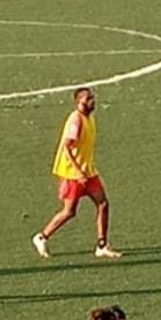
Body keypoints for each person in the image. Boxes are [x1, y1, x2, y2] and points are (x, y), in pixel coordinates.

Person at [32, 87, 122, 260]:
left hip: (88, 171)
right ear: (78, 102)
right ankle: (42, 237)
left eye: (92, 98)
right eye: (88, 99)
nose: (92, 101)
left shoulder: (89, 118)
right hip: (73, 174)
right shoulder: (76, 121)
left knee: (103, 204)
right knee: (69, 211)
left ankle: (102, 245)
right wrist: (79, 171)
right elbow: (67, 147)